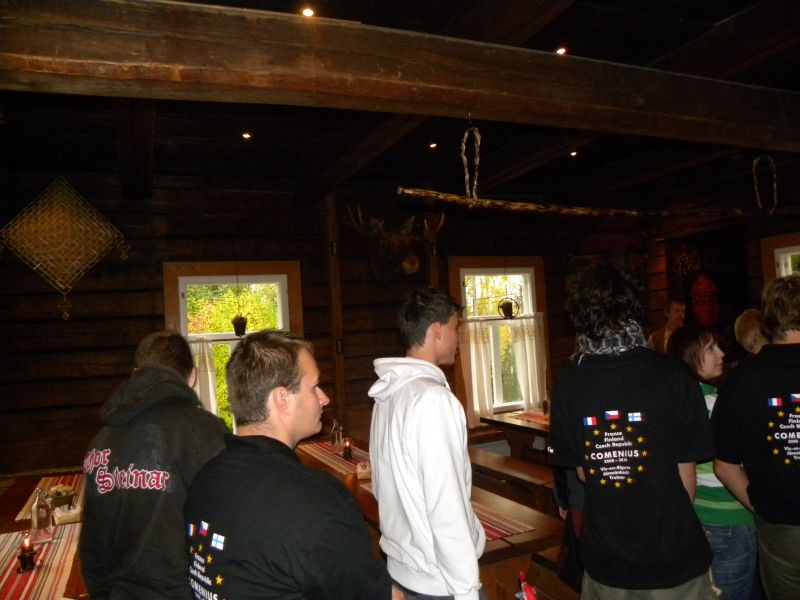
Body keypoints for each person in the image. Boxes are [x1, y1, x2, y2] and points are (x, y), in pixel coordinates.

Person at [185, 330, 402, 600]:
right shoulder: (318, 503)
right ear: (282, 400)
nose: (324, 398)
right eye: (314, 387)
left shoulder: (203, 480)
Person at [547, 265, 715, 599]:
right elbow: (687, 477)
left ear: (581, 313)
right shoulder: (674, 375)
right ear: (635, 308)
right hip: (673, 558)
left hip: (607, 559)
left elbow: (583, 472)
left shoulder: (568, 383)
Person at [80, 331, 227, 599]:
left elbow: (91, 538)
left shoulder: (100, 440)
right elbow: (229, 518)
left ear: (136, 373)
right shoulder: (205, 431)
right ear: (192, 377)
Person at [369, 286, 487, 600]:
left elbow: (381, 487)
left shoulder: (389, 393)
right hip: (440, 582)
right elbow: (445, 505)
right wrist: (466, 591)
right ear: (437, 330)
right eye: (456, 328)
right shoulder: (433, 400)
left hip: (403, 570)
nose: (458, 339)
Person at [714, 275, 800, 600]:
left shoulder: (742, 380)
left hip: (780, 529)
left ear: (768, 319)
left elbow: (724, 466)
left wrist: (761, 506)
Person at [669, 326, 759, 600]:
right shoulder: (720, 404)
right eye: (710, 348)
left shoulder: (669, 404)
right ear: (688, 355)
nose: (721, 353)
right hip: (731, 519)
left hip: (690, 519)